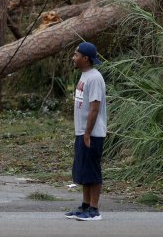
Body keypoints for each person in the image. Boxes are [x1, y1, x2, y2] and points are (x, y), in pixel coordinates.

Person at [65, 42, 107, 221]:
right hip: (82, 132)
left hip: (92, 133)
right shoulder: (85, 76)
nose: (73, 58)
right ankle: (85, 206)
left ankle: (94, 209)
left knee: (92, 170)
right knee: (83, 171)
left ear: (85, 58)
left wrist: (88, 133)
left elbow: (94, 108)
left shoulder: (95, 78)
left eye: (76, 55)